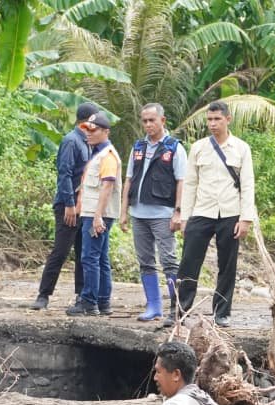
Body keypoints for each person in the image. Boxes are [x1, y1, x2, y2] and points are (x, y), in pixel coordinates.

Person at [167, 101, 256, 329]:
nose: (213, 124)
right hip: (201, 211)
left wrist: (246, 218)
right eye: (209, 119)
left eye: (217, 119)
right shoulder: (198, 147)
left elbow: (247, 185)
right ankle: (179, 310)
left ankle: (222, 313)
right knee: (188, 263)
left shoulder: (241, 148)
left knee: (227, 265)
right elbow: (190, 185)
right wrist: (185, 217)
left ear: (228, 119)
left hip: (230, 213)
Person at [120, 103, 188, 322]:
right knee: (145, 261)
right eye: (144, 121)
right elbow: (128, 179)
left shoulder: (174, 148)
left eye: (152, 120)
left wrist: (178, 212)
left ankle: (176, 308)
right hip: (139, 213)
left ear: (162, 120)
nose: (148, 124)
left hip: (162, 213)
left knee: (169, 260)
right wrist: (124, 211)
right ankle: (153, 306)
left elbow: (182, 182)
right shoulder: (138, 147)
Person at [32, 102, 100, 310]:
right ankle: (43, 295)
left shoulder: (88, 142)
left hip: (84, 205)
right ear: (87, 120)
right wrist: (69, 204)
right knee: (60, 251)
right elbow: (65, 174)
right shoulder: (71, 141)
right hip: (68, 205)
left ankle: (81, 295)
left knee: (82, 252)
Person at [67, 113, 122, 317]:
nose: (88, 133)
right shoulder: (99, 153)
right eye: (87, 129)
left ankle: (89, 301)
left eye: (93, 130)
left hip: (96, 215)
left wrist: (98, 216)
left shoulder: (106, 155)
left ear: (105, 132)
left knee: (90, 258)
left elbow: (107, 186)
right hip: (96, 213)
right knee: (100, 258)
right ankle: (103, 301)